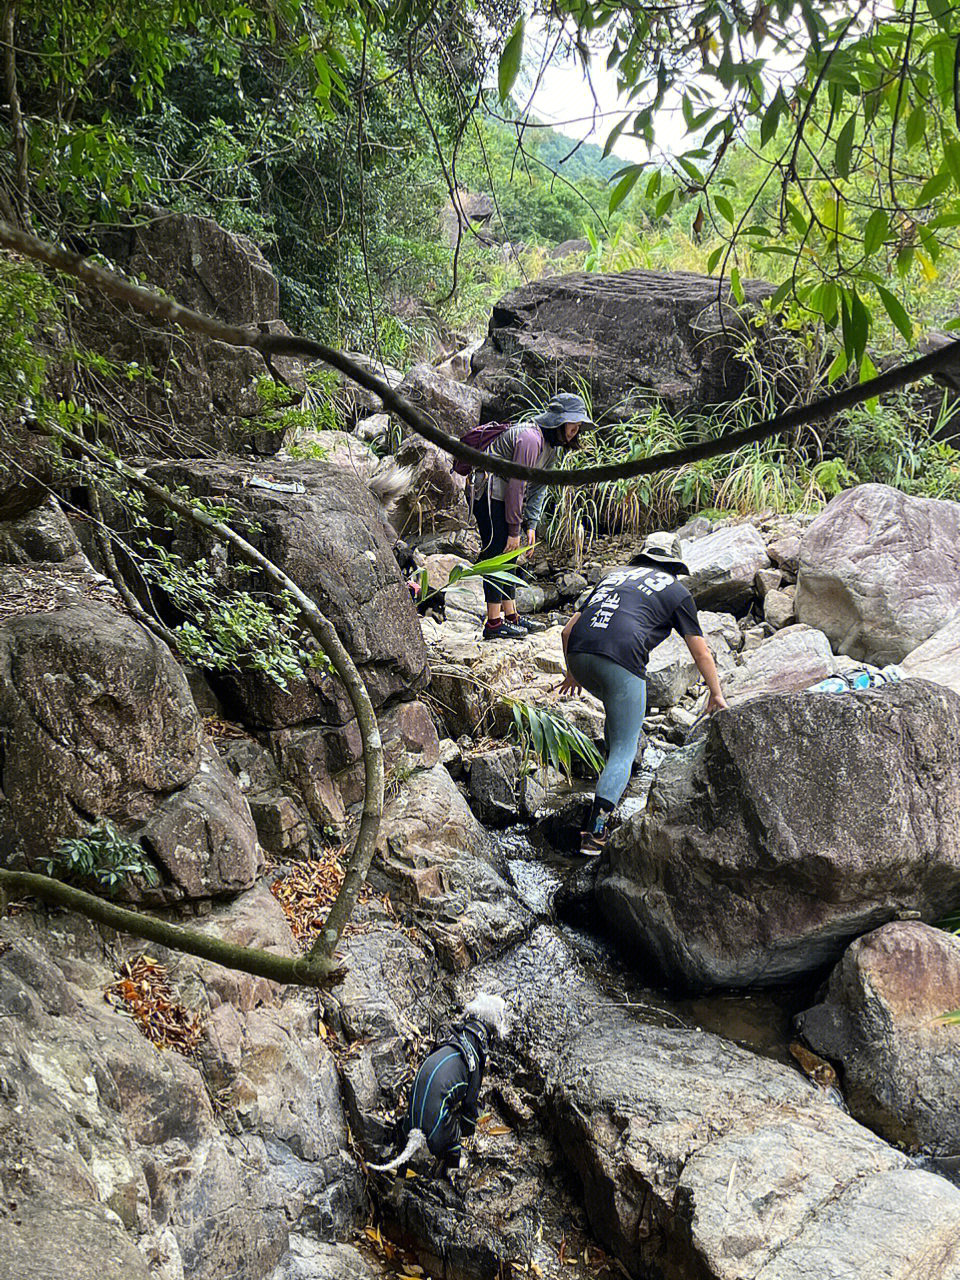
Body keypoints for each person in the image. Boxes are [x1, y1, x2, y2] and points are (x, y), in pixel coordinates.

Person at [559, 539, 727, 854]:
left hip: (579, 656)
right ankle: (595, 833)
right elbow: (700, 649)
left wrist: (573, 671)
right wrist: (716, 692)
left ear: (643, 561)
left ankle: (613, 776)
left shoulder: (613, 576)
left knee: (617, 717)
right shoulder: (677, 591)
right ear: (674, 568)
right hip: (622, 662)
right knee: (625, 747)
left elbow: (568, 631)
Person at [472, 391, 591, 640]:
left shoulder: (551, 449)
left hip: (505, 496)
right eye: (574, 425)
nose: (576, 431)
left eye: (579, 426)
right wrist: (514, 530)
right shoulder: (529, 438)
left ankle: (511, 616)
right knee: (496, 552)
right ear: (559, 421)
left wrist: (531, 525)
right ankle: (493, 623)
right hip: (489, 491)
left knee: (510, 555)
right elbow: (517, 485)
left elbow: (538, 487)